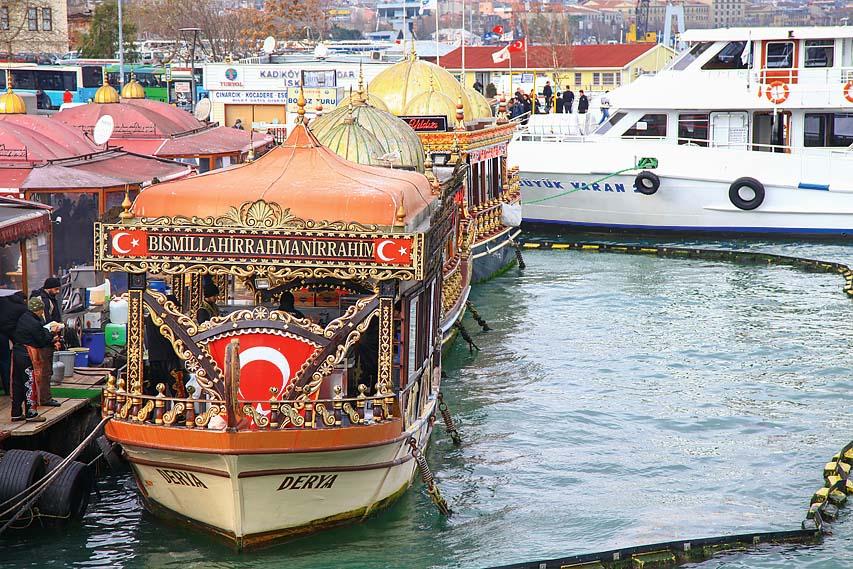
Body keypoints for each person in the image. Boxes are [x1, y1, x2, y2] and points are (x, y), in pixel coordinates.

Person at [11, 298, 62, 422]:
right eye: (41, 310)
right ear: (38, 310)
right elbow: (41, 341)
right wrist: (52, 333)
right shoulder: (34, 322)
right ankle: (31, 413)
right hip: (27, 355)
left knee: (17, 383)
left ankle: (16, 413)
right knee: (30, 383)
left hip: (17, 352)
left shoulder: (23, 317)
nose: (42, 312)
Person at [0, 290, 27, 396]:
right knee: (6, 361)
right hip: (8, 334)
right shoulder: (22, 308)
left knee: (4, 360)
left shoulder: (4, 301)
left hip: (3, 333)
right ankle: (9, 389)